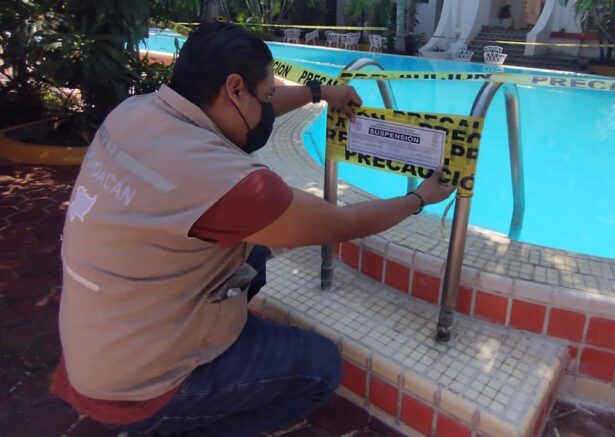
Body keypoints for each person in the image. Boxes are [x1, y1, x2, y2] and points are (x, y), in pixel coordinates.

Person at [50, 22, 454, 436]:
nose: (269, 104)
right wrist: (419, 198)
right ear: (235, 89)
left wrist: (319, 92)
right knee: (320, 368)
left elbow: (254, 110)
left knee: (254, 258)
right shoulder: (230, 184)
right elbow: (343, 224)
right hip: (139, 388)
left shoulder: (133, 113)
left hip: (96, 343)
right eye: (267, 94)